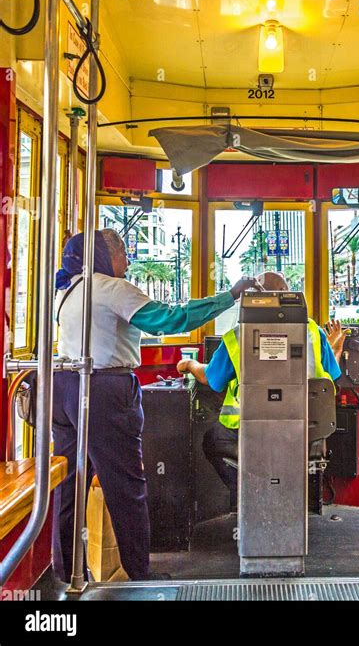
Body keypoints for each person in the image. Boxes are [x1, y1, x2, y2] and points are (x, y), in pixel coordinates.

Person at [52, 228, 261, 582]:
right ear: (103, 256)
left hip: (65, 386)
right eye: (121, 251)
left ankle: (67, 572)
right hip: (106, 390)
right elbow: (170, 319)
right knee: (127, 485)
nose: (128, 260)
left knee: (69, 484)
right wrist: (229, 297)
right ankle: (139, 574)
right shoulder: (111, 289)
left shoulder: (66, 290)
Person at [176, 271, 347, 511]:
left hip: (252, 435)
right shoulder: (314, 333)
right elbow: (329, 384)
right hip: (304, 435)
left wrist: (189, 364)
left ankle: (249, 496)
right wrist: (335, 349)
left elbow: (211, 379)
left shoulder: (237, 337)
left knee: (212, 440)